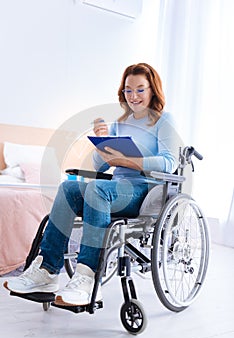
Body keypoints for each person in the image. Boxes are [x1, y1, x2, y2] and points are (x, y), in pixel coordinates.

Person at [3, 63, 179, 306]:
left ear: (152, 90)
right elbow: (101, 166)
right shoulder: (120, 123)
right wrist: (101, 144)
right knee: (68, 188)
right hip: (115, 189)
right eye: (128, 90)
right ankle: (47, 271)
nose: (134, 96)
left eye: (140, 89)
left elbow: (169, 163)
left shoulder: (163, 120)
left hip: (145, 191)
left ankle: (87, 276)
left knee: (98, 189)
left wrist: (133, 161)